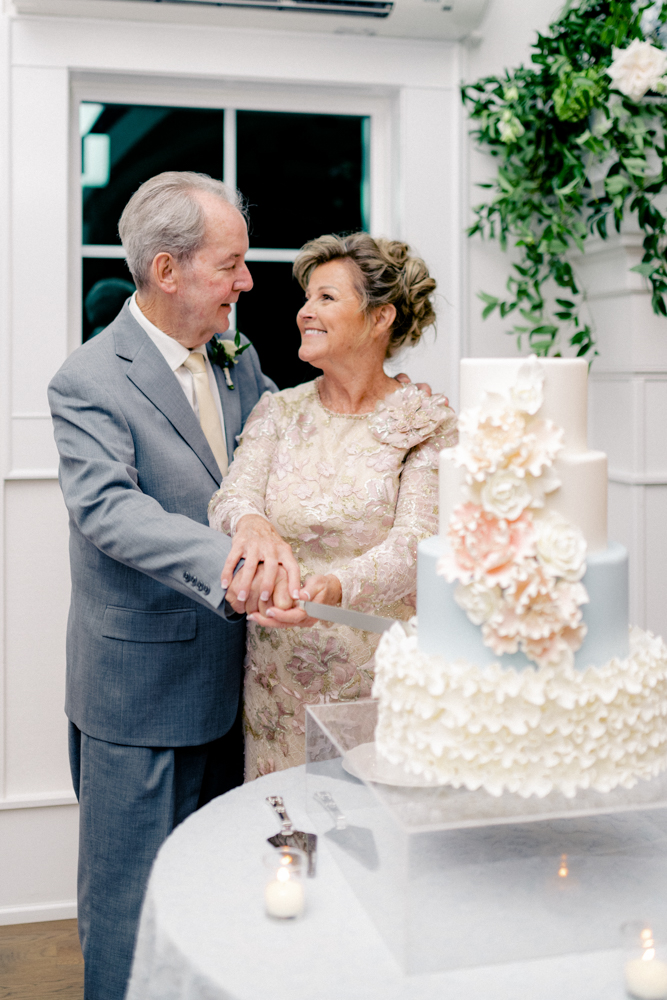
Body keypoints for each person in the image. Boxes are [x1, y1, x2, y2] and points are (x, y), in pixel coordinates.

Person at [48, 171, 302, 1000]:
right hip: (140, 691)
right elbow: (110, 513)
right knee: (130, 909)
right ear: (167, 271)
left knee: (221, 895)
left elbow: (275, 462)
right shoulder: (87, 379)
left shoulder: (241, 359)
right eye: (230, 264)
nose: (247, 282)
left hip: (240, 687)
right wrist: (238, 562)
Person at [208, 232, 457, 780]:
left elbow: (416, 542)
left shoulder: (425, 422)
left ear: (380, 317)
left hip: (377, 678)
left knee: (372, 842)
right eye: (306, 298)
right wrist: (251, 523)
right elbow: (233, 496)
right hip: (276, 682)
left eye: (326, 298)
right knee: (286, 844)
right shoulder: (278, 410)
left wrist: (333, 588)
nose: (305, 312)